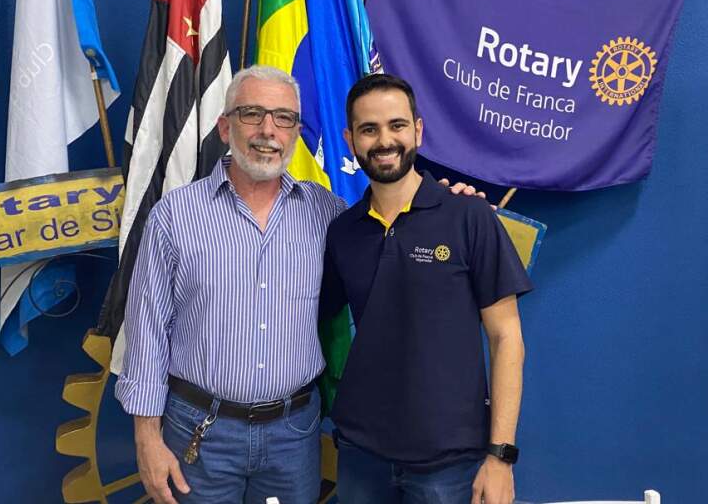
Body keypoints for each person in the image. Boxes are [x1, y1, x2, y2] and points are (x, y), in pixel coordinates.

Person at [115, 65, 481, 504]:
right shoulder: (175, 216)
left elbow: (397, 221)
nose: (268, 130)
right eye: (252, 114)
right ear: (224, 126)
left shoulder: (329, 216)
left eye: (284, 118)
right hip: (199, 432)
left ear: (295, 132)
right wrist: (146, 438)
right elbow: (147, 332)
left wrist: (449, 204)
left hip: (293, 435)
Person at [320, 73, 533, 504]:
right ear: (350, 139)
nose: (384, 140)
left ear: (417, 129)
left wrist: (500, 456)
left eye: (397, 125)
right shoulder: (343, 232)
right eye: (369, 129)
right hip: (361, 453)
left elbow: (507, 338)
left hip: (449, 464)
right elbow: (313, 316)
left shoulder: (469, 217)